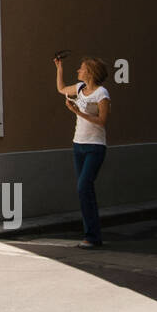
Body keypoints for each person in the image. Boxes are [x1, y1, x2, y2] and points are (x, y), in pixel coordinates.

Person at [54, 55, 111, 248]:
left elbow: (102, 121)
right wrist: (59, 68)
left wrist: (77, 112)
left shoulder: (102, 94)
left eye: (81, 68)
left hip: (95, 147)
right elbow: (61, 89)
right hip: (78, 144)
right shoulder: (79, 89)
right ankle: (92, 236)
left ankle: (92, 236)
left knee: (83, 187)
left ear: (90, 72)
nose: (78, 70)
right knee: (85, 191)